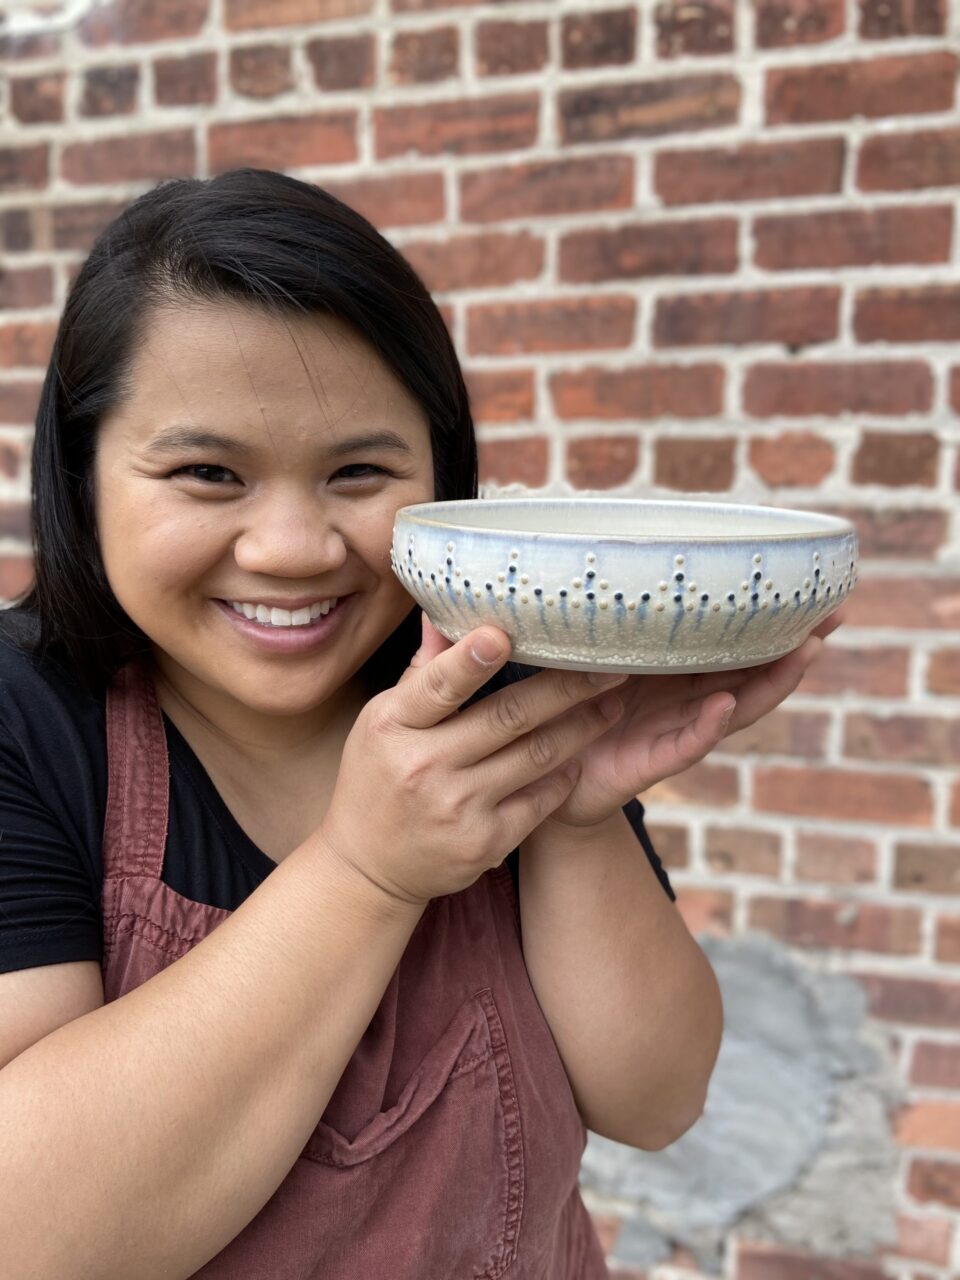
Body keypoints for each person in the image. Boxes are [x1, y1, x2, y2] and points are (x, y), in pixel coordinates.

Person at [0, 168, 838, 1279]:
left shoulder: (497, 688)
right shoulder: (27, 719)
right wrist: (365, 870)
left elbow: (659, 1097)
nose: (293, 546)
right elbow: (35, 1232)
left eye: (359, 469)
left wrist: (579, 819)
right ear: (83, 473)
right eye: (208, 473)